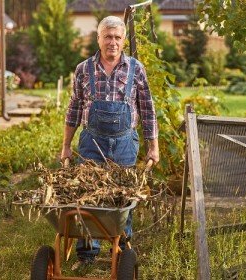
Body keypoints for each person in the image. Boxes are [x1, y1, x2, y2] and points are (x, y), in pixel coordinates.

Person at [60, 16, 160, 266]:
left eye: (117, 37)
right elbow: (73, 108)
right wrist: (66, 146)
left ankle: (123, 250)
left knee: (124, 199)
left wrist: (153, 146)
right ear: (98, 39)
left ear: (124, 40)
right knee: (88, 196)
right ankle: (88, 255)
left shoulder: (135, 68)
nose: (112, 42)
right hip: (91, 143)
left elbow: (147, 109)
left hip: (125, 143)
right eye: (107, 36)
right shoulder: (84, 69)